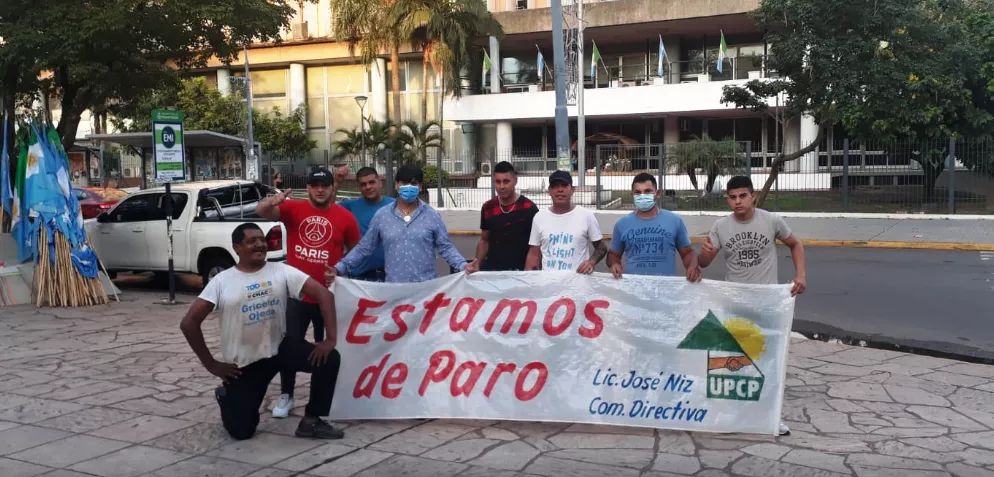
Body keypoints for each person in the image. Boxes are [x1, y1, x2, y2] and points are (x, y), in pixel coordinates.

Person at [179, 223, 343, 440]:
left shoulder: (281, 271)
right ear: (237, 247)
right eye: (251, 241)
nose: (259, 245)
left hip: (279, 348)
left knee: (329, 358)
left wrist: (330, 339)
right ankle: (226, 397)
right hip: (245, 363)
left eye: (262, 240)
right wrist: (212, 365)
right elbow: (189, 323)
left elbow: (324, 295)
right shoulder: (221, 281)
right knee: (242, 431)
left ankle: (311, 422)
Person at [697, 175, 806, 437]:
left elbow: (795, 244)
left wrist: (800, 275)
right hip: (734, 304)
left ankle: (770, 418)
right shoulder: (721, 226)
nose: (737, 202)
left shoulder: (771, 221)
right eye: (732, 197)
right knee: (732, 363)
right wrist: (707, 254)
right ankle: (729, 416)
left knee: (768, 362)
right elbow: (702, 263)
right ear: (727, 199)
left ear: (752, 196)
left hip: (767, 304)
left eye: (742, 196)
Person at [255, 167, 360, 418]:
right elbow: (261, 211)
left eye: (324, 185)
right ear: (309, 188)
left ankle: (322, 398)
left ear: (332, 187)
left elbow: (357, 250)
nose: (320, 189)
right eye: (315, 185)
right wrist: (274, 200)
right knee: (290, 347)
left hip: (329, 296)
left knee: (328, 350)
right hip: (296, 296)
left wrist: (341, 270)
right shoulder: (294, 209)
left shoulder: (344, 217)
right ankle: (287, 394)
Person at [331, 164, 473, 283]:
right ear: (397, 185)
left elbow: (446, 247)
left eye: (413, 183)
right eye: (404, 183)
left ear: (420, 186)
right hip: (394, 292)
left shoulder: (432, 215)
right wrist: (339, 268)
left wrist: (463, 265)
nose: (408, 187)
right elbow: (364, 248)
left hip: (426, 291)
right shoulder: (382, 215)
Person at [607, 173, 702, 281]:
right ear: (632, 195)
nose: (642, 196)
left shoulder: (674, 221)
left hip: (666, 291)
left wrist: (692, 266)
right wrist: (614, 264)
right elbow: (613, 255)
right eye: (638, 192)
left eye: (647, 191)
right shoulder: (622, 224)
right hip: (633, 291)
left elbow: (688, 253)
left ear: (657, 194)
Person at [525, 170, 607, 273]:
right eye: (555, 186)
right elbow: (534, 254)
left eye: (564, 185)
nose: (560, 190)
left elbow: (601, 248)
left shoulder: (586, 216)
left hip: (578, 284)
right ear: (549, 191)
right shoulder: (539, 218)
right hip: (549, 285)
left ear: (572, 189)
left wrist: (591, 262)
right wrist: (530, 280)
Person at [474, 161, 538, 271]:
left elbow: (535, 246)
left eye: (506, 181)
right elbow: (484, 240)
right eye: (498, 182)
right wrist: (477, 263)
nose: (501, 186)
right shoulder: (488, 207)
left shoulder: (528, 208)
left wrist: (531, 272)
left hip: (520, 273)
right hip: (493, 272)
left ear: (515, 181)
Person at [338, 167, 395, 282]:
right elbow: (327, 209)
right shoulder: (351, 206)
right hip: (361, 277)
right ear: (359, 187)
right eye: (363, 184)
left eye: (372, 182)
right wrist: (336, 181)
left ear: (380, 183)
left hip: (392, 275)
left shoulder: (395, 205)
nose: (368, 187)